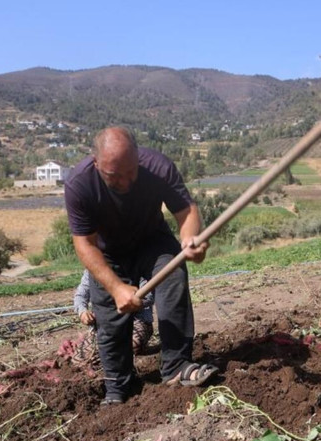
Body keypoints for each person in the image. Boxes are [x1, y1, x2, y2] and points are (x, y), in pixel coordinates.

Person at [64, 126, 219, 405]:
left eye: (131, 172)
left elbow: (186, 210)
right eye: (114, 176)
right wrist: (115, 287)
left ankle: (175, 367)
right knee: (109, 316)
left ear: (138, 157)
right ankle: (118, 385)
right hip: (108, 252)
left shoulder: (158, 167)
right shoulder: (80, 184)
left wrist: (190, 240)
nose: (125, 182)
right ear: (96, 163)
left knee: (172, 276)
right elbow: (84, 244)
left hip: (152, 241)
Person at [71, 270, 153, 369]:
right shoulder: (92, 268)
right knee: (78, 360)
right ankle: (106, 360)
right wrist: (83, 312)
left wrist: (131, 303)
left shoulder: (133, 263)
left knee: (132, 344)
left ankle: (114, 361)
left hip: (135, 321)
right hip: (104, 326)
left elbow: (149, 296)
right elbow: (80, 295)